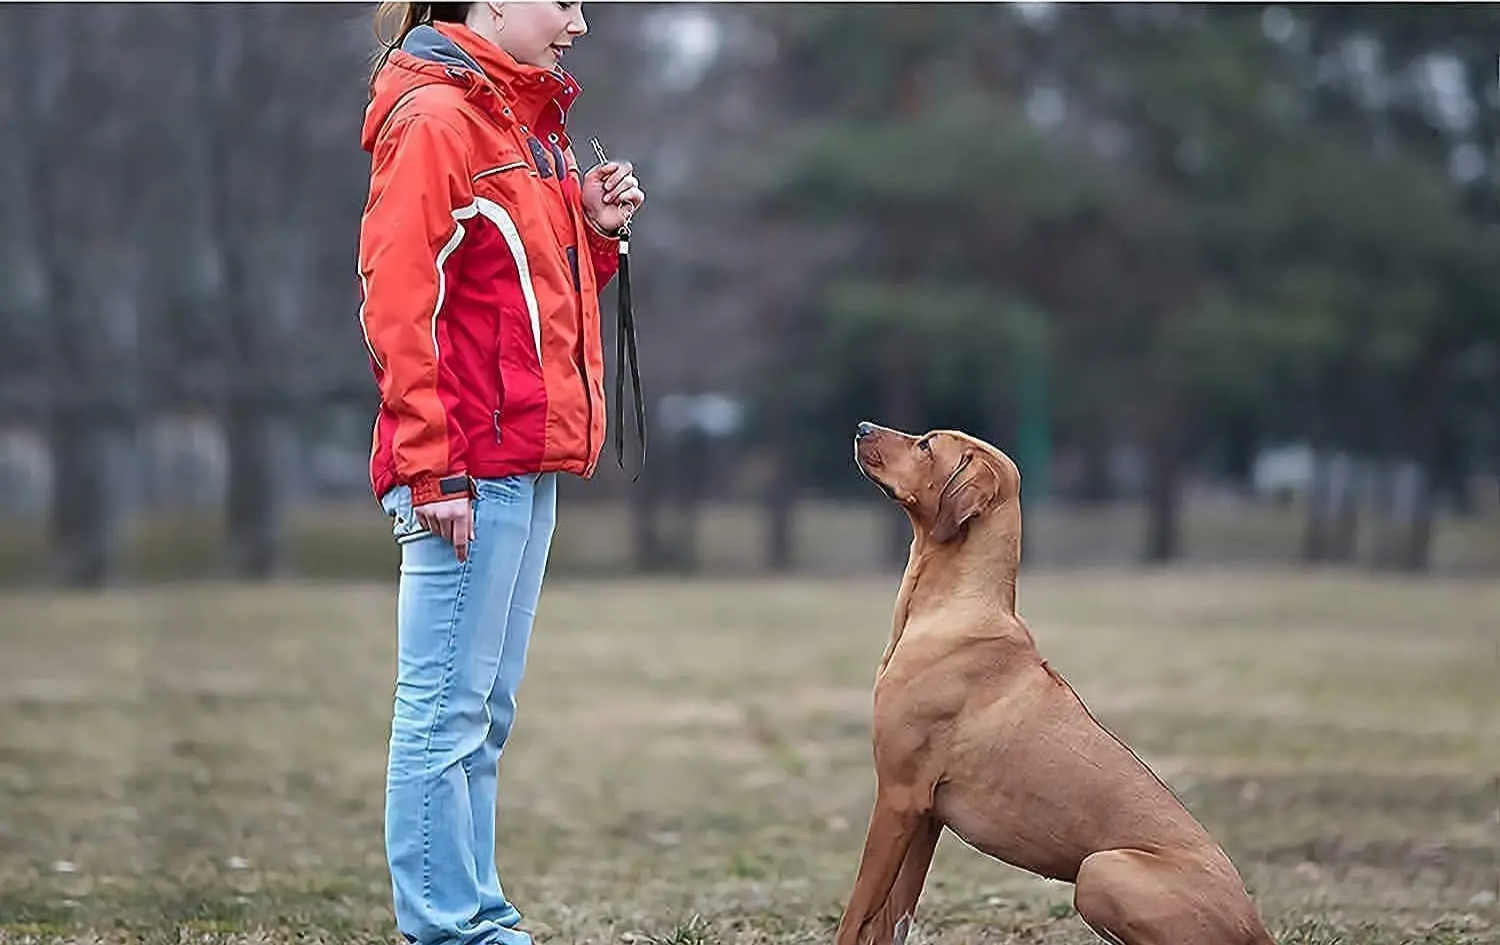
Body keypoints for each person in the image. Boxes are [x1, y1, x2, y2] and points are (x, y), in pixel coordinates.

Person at [357, 3, 644, 943]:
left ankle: (477, 911)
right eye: (560, 0)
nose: (579, 22)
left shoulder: (521, 122)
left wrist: (592, 232)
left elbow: (519, 303)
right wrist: (430, 468)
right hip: (467, 470)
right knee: (444, 712)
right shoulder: (440, 120)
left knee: (481, 711)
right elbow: (398, 300)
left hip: (521, 460)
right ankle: (448, 927)